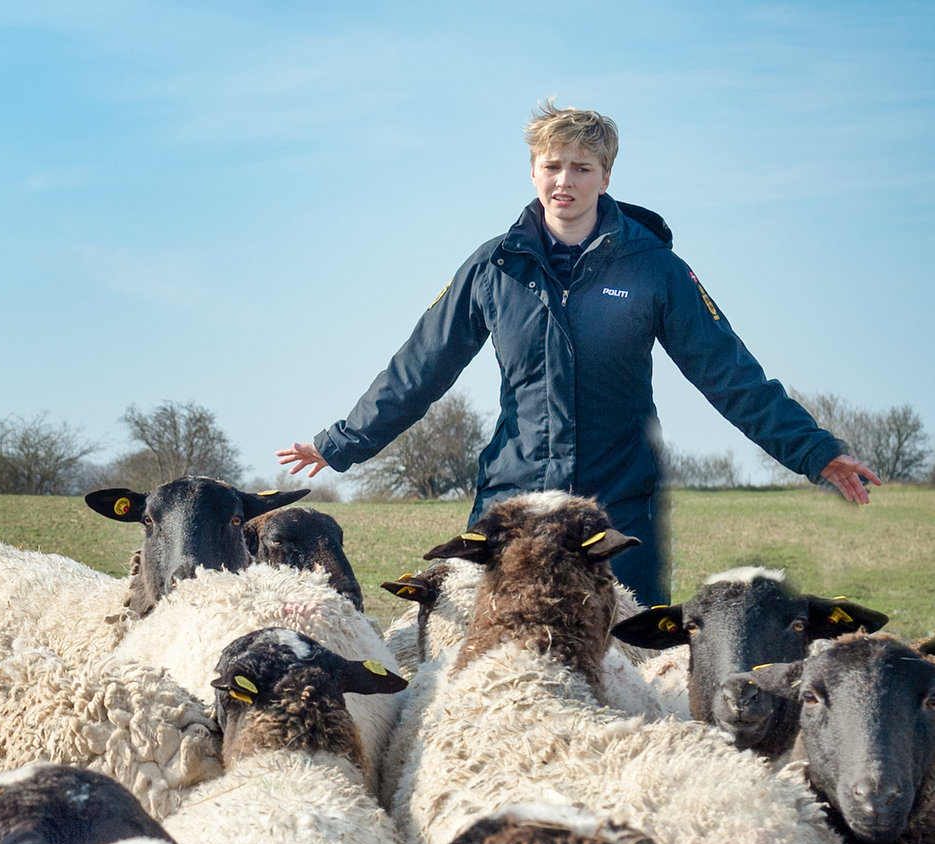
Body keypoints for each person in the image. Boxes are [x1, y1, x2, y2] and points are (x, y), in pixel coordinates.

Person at [274, 101, 877, 606]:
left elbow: (731, 376)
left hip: (617, 509)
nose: (565, 182)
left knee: (633, 668)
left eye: (581, 168)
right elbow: (421, 367)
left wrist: (816, 452)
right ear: (533, 171)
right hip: (513, 504)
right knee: (491, 661)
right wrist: (342, 443)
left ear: (606, 176)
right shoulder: (494, 267)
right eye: (551, 166)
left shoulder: (654, 270)